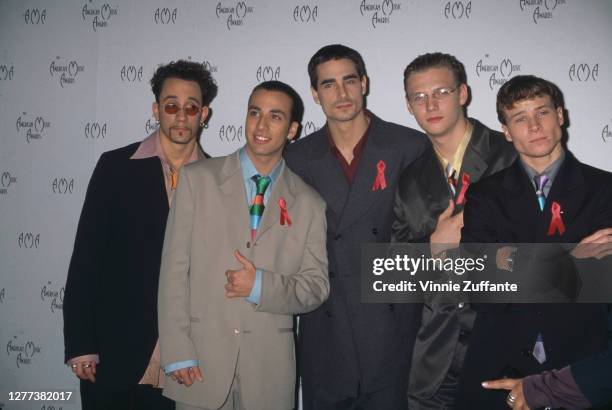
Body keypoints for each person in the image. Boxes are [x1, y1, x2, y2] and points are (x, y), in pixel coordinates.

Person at [158, 80, 330, 410]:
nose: (261, 125)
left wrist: (261, 286)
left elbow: (315, 287)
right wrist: (177, 351)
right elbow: (174, 270)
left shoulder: (310, 203)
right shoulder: (197, 180)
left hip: (269, 372)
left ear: (293, 129)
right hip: (199, 364)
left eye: (275, 116)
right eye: (255, 113)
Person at [63, 60, 217, 409]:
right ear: (156, 109)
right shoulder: (116, 167)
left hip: (184, 361)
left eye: (191, 107)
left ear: (203, 114)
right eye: (171, 105)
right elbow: (87, 258)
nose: (181, 115)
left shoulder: (217, 179)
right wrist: (80, 343)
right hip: (114, 352)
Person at [284, 44, 428, 410]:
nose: (342, 93)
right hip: (326, 332)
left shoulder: (409, 146)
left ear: (364, 83)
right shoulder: (297, 158)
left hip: (393, 331)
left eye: (349, 80)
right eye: (328, 84)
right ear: (315, 95)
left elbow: (424, 237)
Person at [455, 75, 612, 409]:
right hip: (498, 360)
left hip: (581, 364)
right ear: (507, 131)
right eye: (520, 118)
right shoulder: (485, 196)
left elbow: (603, 283)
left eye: (542, 113)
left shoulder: (605, 190)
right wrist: (572, 257)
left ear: (560, 115)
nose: (534, 125)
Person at [391, 52, 516, 408]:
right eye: (419, 97)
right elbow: (393, 273)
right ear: (408, 105)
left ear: (463, 93)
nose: (430, 104)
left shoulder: (510, 156)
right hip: (434, 362)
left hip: (506, 354)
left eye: (441, 91)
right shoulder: (409, 181)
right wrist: (433, 248)